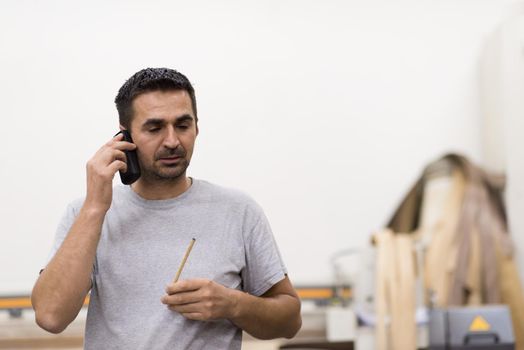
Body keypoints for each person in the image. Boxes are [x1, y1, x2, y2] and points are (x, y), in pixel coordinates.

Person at [31, 68, 302, 349]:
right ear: (125, 135)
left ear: (197, 127)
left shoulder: (238, 211)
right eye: (155, 128)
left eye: (183, 125)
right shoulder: (86, 213)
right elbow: (50, 317)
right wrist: (95, 208)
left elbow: (290, 322)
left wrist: (233, 304)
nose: (172, 141)